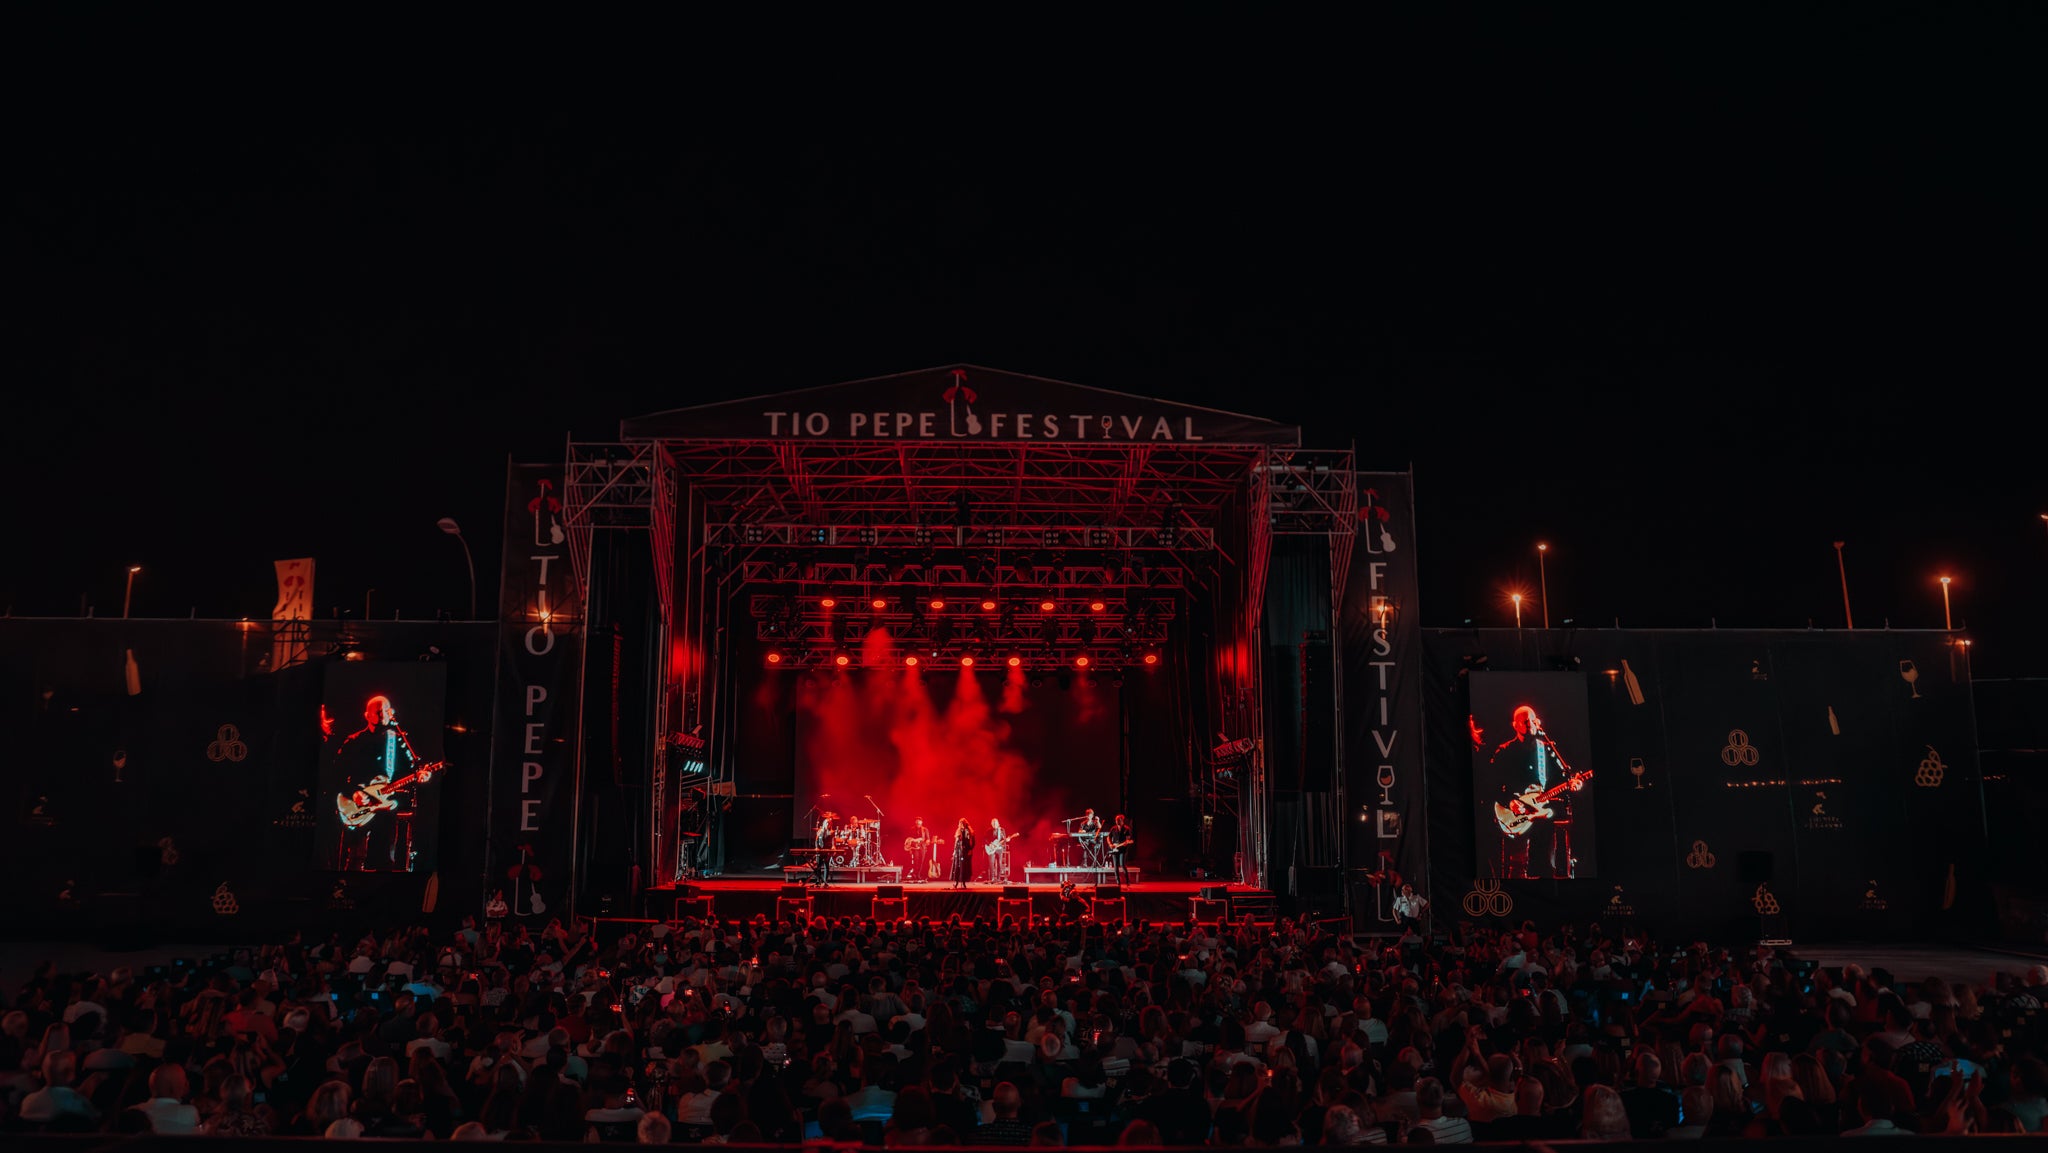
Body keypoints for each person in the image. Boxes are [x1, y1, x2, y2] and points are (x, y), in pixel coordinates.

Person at [333, 694, 434, 871]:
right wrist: (354, 792)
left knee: (384, 859)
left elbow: (411, 769)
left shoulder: (396, 740)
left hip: (384, 807)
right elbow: (336, 775)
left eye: (387, 711)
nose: (383, 715)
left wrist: (421, 775)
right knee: (355, 859)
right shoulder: (354, 741)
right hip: (356, 806)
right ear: (367, 715)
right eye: (378, 711)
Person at [1487, 704, 1579, 879]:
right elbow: (1492, 785)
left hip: (1542, 815)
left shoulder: (1546, 749)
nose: (1529, 724)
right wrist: (1510, 802)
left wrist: (1572, 783)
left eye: (1531, 720)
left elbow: (1560, 779)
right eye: (1524, 721)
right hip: (1515, 815)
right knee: (1517, 867)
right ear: (1515, 725)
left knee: (1547, 865)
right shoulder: (1505, 752)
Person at [1108, 814, 1135, 885]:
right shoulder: (1113, 829)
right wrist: (1110, 844)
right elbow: (1108, 837)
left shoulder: (1126, 829)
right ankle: (1118, 882)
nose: (1117, 822)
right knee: (1115, 866)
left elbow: (1128, 839)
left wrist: (1126, 842)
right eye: (1116, 820)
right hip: (1114, 849)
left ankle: (1127, 881)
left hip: (1123, 849)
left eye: (1118, 820)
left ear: (1122, 820)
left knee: (1122, 865)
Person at [987, 818, 1015, 882]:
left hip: (999, 848)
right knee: (991, 863)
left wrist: (1007, 840)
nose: (994, 824)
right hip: (991, 848)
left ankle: (999, 878)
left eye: (995, 823)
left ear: (998, 823)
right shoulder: (989, 831)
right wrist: (990, 844)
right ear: (991, 824)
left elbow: (1004, 839)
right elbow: (985, 839)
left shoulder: (1002, 830)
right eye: (993, 823)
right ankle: (992, 878)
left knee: (999, 863)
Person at [952, 819, 976, 889]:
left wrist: (970, 849)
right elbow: (956, 842)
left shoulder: (969, 831)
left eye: (962, 823)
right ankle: (956, 882)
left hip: (965, 851)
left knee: (964, 867)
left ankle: (963, 882)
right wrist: (954, 851)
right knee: (957, 866)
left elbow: (973, 842)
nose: (960, 825)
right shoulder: (958, 831)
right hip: (958, 851)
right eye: (960, 823)